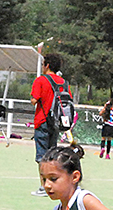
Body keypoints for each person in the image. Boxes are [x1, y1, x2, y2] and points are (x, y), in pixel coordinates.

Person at [31, 53, 70, 197]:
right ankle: (55, 184)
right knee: (53, 154)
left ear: (47, 65)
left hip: (42, 121)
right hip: (57, 123)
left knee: (41, 156)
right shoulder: (63, 82)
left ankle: (44, 186)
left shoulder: (41, 80)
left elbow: (34, 100)